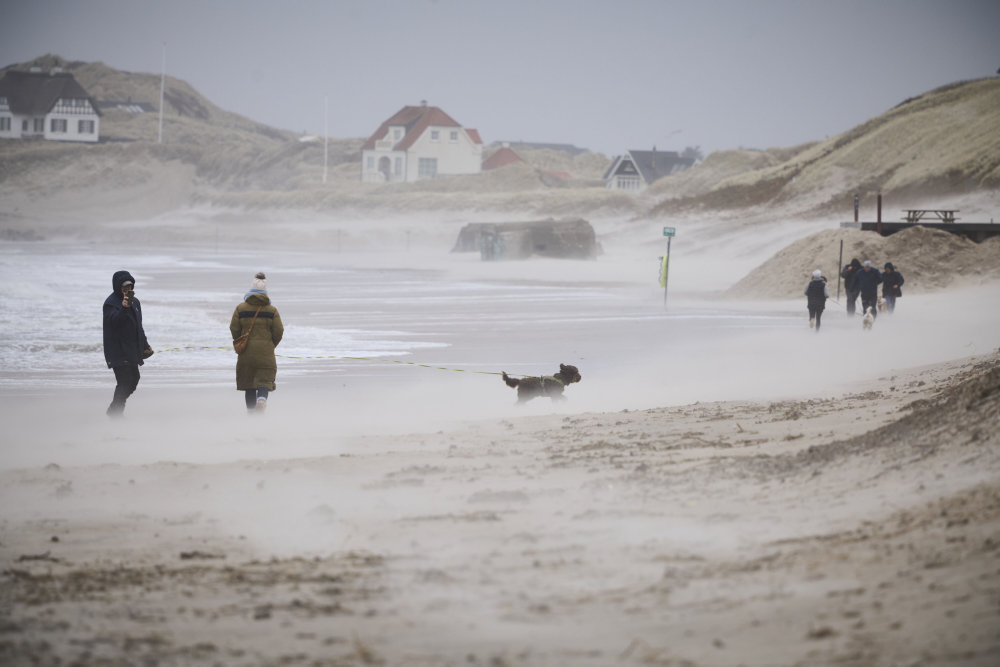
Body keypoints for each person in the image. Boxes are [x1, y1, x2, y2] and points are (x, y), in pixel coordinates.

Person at [230, 272, 283, 413]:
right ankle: (262, 399)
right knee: (264, 380)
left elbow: (234, 328)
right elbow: (279, 331)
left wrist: (240, 341)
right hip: (266, 352)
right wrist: (270, 344)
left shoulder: (240, 308)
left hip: (246, 352)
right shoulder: (272, 310)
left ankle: (251, 416)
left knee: (249, 384)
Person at [103, 270, 153, 417]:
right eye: (124, 286)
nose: (127, 289)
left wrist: (145, 346)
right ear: (117, 286)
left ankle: (115, 409)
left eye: (130, 286)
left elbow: (139, 327)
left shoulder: (135, 302)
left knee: (134, 380)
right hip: (117, 351)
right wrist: (124, 308)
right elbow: (115, 323)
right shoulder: (110, 304)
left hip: (131, 350)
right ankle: (116, 413)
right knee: (125, 382)